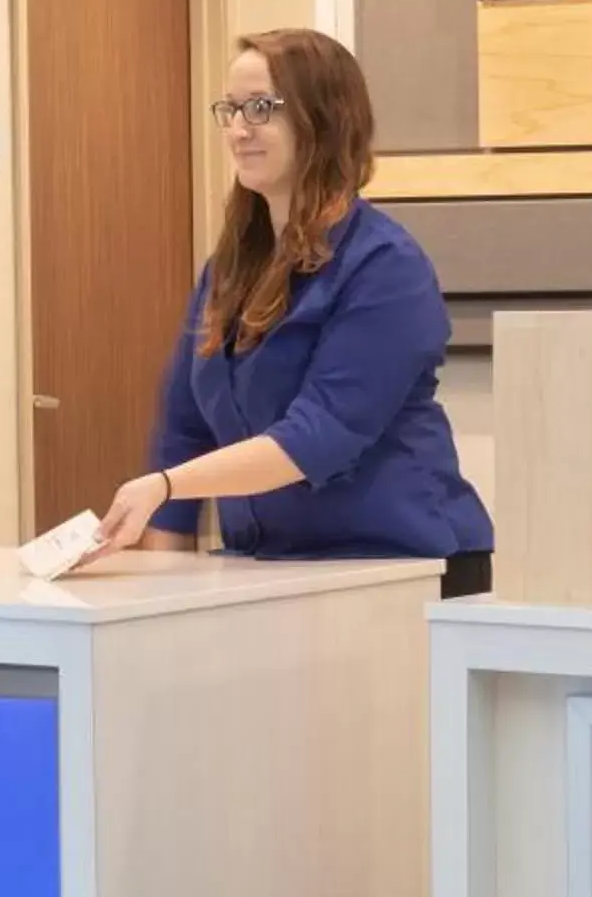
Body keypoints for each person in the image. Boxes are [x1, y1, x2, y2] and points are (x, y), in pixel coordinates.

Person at [92, 29, 492, 594]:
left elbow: (319, 436)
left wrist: (164, 485)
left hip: (399, 569)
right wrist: (158, 579)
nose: (237, 129)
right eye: (230, 109)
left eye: (260, 108)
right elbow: (183, 426)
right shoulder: (229, 268)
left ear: (323, 120)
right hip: (271, 570)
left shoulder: (386, 266)